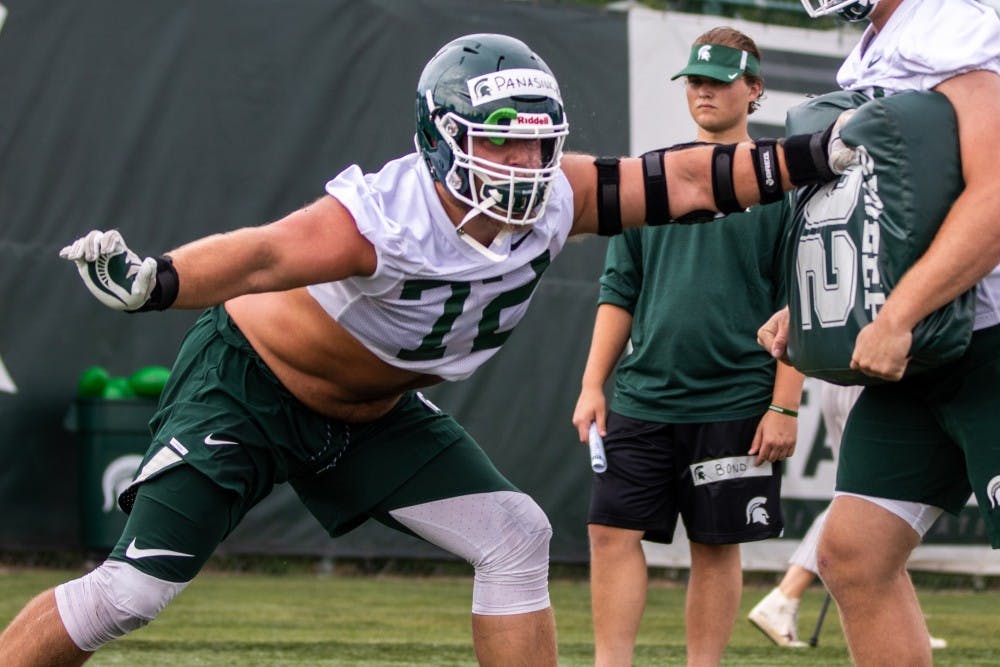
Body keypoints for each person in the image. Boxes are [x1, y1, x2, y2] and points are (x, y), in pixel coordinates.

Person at [0, 32, 845, 667]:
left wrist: (820, 154)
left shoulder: (560, 196)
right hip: (249, 389)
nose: (525, 160)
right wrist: (156, 280)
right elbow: (260, 254)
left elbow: (696, 179)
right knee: (132, 591)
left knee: (515, 530)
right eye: (501, 136)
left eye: (538, 138)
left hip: (373, 416)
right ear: (442, 138)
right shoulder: (385, 215)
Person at [757, 1, 1000, 665]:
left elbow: (996, 191)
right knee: (853, 555)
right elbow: (897, 203)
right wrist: (818, 308)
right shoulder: (879, 43)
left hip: (983, 339)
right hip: (934, 343)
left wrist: (897, 314)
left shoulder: (956, 23)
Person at [571, 27, 804, 667]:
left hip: (738, 399)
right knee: (609, 532)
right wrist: (593, 386)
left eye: (720, 79)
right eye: (695, 79)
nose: (703, 89)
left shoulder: (784, 186)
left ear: (753, 90)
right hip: (644, 396)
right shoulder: (649, 178)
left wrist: (784, 406)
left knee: (715, 543)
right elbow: (619, 289)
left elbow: (800, 305)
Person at [747, 382, 945, 650]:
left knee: (869, 502)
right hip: (868, 385)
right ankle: (784, 596)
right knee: (870, 501)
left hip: (839, 380)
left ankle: (903, 620)